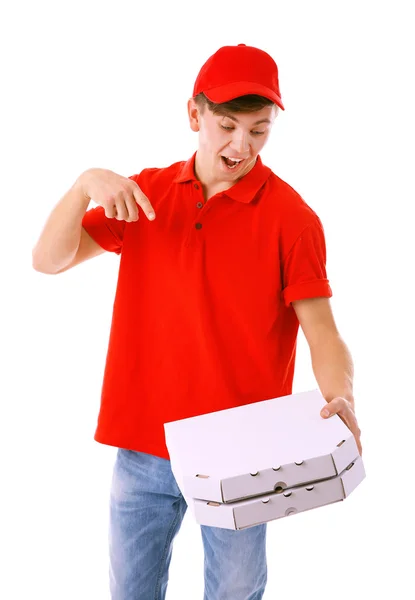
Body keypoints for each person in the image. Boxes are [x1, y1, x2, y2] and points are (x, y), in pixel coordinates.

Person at [32, 43, 362, 600]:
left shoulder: (292, 218)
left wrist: (342, 396)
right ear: (195, 115)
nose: (241, 146)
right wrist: (85, 183)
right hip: (142, 444)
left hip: (242, 451)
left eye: (259, 130)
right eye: (227, 125)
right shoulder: (145, 195)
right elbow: (49, 259)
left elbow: (323, 331)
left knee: (235, 594)